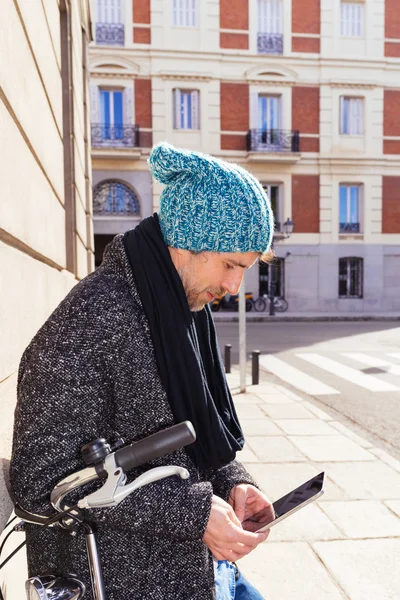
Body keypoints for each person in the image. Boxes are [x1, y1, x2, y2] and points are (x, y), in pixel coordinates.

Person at [10, 142, 275, 600]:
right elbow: (40, 481)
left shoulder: (181, 310)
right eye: (231, 264)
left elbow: (195, 428)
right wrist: (191, 515)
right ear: (185, 242)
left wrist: (235, 482)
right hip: (133, 578)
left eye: (245, 269)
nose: (235, 286)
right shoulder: (92, 320)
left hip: (200, 569)